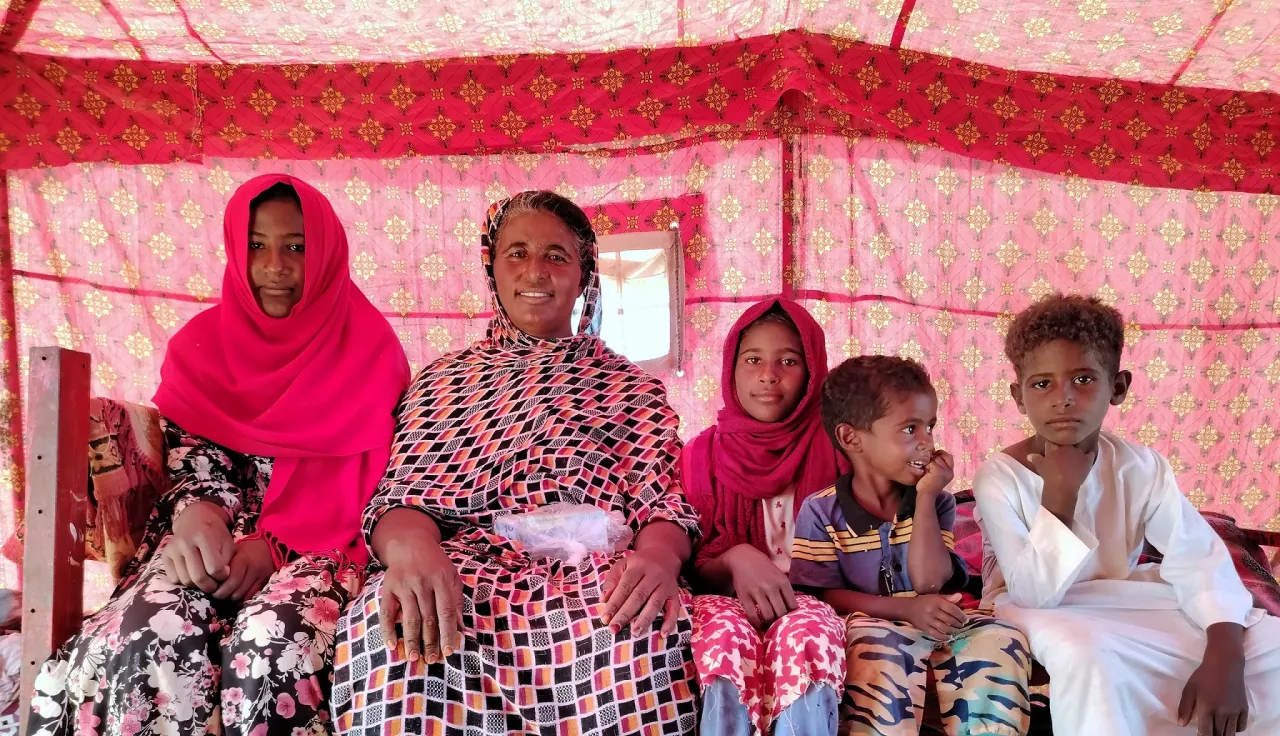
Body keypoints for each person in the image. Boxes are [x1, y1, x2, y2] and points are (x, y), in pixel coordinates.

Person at [27, 174, 411, 736]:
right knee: (149, 630)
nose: (274, 265)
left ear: (328, 253)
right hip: (207, 540)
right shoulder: (200, 346)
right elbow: (195, 457)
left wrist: (275, 547)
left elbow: (375, 479)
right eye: (256, 245)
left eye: (297, 246)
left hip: (323, 547)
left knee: (274, 642)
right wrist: (198, 515)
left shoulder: (370, 351)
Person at [330, 190, 701, 735]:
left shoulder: (631, 387)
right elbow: (402, 495)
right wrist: (412, 552)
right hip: (466, 569)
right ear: (492, 267)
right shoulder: (442, 381)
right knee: (396, 635)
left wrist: (658, 559)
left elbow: (662, 502)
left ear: (584, 274)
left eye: (557, 256)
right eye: (517, 253)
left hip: (596, 575)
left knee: (649, 640)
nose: (536, 271)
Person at [973, 293, 1280, 736]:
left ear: (1117, 387)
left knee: (1268, 647)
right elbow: (1034, 595)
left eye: (1082, 379)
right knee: (1087, 654)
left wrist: (1226, 652)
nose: (1063, 399)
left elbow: (1196, 556)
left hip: (1123, 598)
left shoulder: (1142, 466)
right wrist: (1061, 494)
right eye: (1041, 384)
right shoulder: (999, 477)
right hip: (1030, 606)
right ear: (1018, 397)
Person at [791, 356, 1031, 736]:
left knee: (1002, 637)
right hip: (871, 624)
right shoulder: (821, 511)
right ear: (851, 438)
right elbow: (822, 595)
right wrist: (906, 609)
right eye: (910, 429)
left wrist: (925, 497)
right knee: (875, 648)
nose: (927, 443)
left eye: (930, 427)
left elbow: (930, 582)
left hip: (938, 620)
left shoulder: (937, 501)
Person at [684, 298, 847, 736]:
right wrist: (736, 557)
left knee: (806, 636)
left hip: (814, 597)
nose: (768, 374)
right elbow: (691, 566)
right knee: (722, 640)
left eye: (788, 361)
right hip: (726, 598)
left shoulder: (841, 447)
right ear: (731, 369)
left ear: (812, 371)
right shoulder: (701, 455)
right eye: (753, 359)